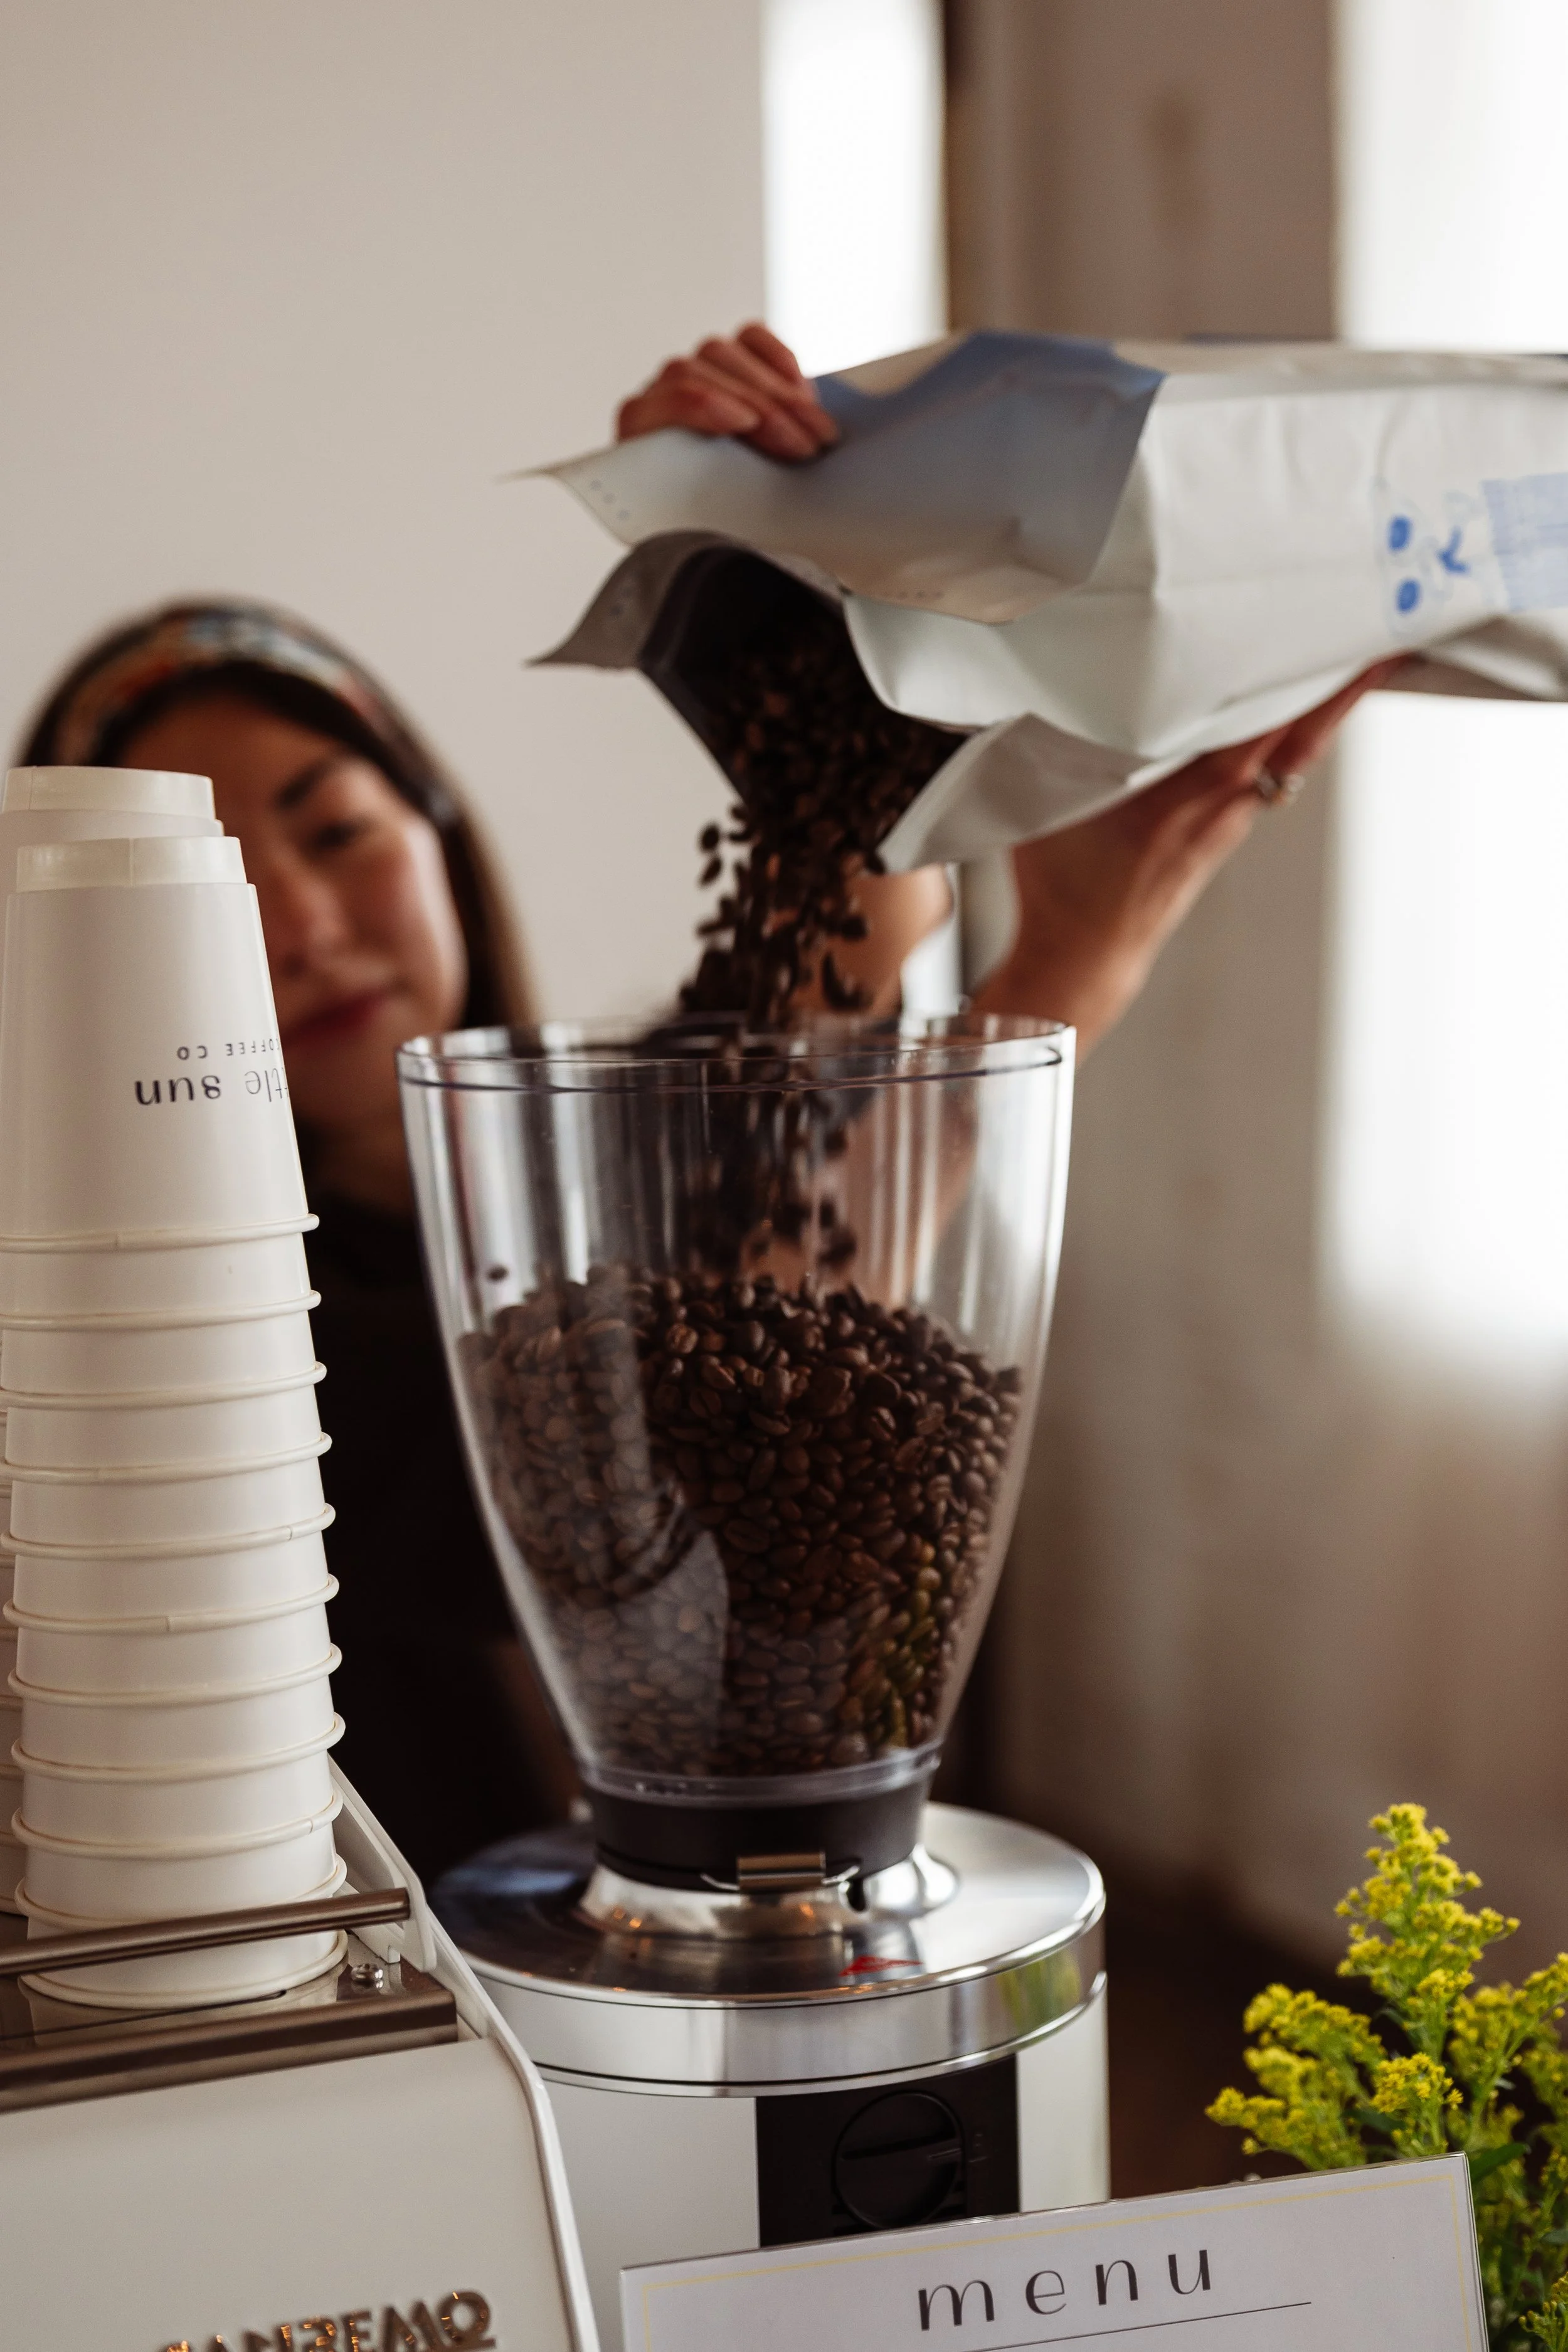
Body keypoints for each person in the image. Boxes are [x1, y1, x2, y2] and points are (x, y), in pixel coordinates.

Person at [15, 328, 1389, 1881]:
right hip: (425, 1981)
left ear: (435, 826)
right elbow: (674, 1481)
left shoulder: (652, 1124)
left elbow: (846, 927)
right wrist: (1060, 968)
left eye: (335, 832)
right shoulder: (172, 1364)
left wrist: (754, 544)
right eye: (225, 897)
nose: (307, 930)